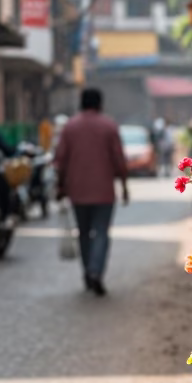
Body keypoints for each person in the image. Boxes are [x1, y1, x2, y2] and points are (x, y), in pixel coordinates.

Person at [54, 88, 128, 296]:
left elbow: (61, 161)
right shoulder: (109, 126)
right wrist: (124, 185)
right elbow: (119, 160)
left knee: (84, 234)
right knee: (102, 233)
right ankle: (96, 271)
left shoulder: (70, 127)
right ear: (100, 104)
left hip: (77, 191)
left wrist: (60, 187)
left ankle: (88, 272)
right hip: (104, 192)